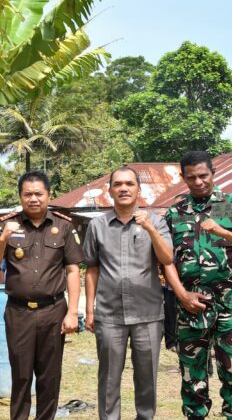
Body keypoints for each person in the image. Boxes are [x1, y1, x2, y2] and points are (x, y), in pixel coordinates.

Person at [0, 170, 83, 420]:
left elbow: (73, 270)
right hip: (18, 312)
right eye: (27, 194)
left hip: (53, 310)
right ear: (20, 196)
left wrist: (73, 312)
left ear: (48, 195)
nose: (33, 199)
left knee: (50, 376)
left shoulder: (63, 226)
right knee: (20, 375)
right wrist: (4, 238)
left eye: (38, 194)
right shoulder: (6, 226)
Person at [82, 166, 173, 420]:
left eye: (129, 184)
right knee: (109, 378)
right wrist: (90, 310)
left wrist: (150, 229)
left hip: (148, 314)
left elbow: (167, 258)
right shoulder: (97, 225)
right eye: (118, 184)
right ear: (110, 190)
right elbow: (92, 268)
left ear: (138, 190)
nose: (124, 188)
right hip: (109, 314)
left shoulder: (155, 221)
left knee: (147, 378)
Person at [164, 151, 232, 419]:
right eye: (191, 177)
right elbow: (166, 260)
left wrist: (223, 232)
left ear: (213, 173)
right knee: (191, 375)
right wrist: (181, 294)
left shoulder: (230, 205)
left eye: (203, 175)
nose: (198, 182)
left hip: (231, 306)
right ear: (183, 177)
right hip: (191, 306)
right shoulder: (175, 213)